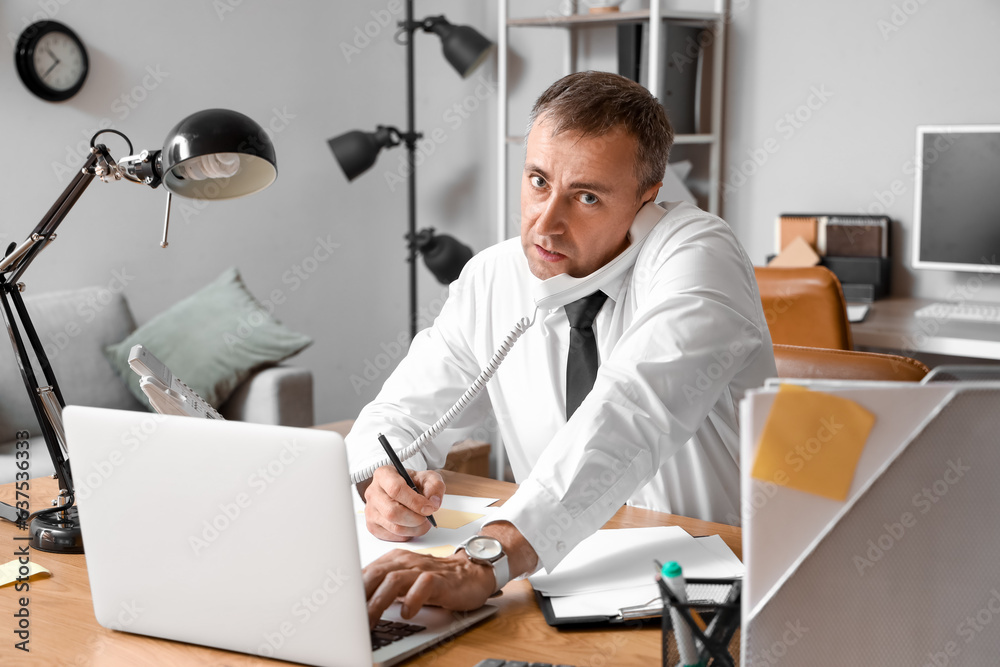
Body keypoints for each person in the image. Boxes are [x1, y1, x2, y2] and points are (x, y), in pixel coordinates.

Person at [347, 71, 776, 626]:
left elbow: (633, 408)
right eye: (538, 181)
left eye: (587, 196)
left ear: (648, 198)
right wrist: (384, 479)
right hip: (555, 584)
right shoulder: (494, 277)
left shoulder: (699, 254)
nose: (545, 225)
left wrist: (488, 559)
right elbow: (398, 413)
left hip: (708, 599)